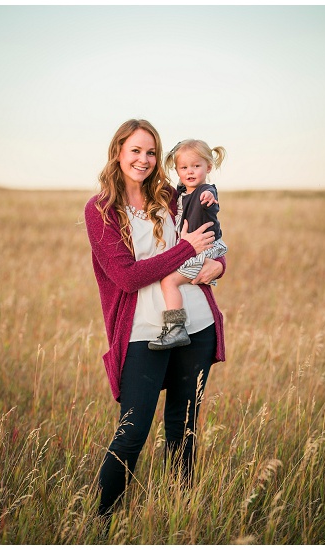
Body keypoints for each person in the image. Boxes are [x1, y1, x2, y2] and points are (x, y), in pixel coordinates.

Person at [83, 119, 226, 521]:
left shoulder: (171, 194)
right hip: (143, 332)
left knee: (184, 431)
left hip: (195, 323)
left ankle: (180, 516)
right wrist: (183, 251)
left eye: (150, 152)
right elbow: (127, 277)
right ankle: (100, 522)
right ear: (118, 152)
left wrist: (219, 264)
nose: (144, 160)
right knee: (131, 435)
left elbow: (207, 235)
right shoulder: (101, 210)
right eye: (135, 151)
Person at [149, 139, 229, 350]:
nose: (190, 171)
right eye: (184, 167)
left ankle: (176, 327)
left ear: (208, 167)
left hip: (203, 250)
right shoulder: (183, 192)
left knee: (169, 281)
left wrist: (208, 196)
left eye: (196, 166)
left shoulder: (205, 191)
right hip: (198, 249)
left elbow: (210, 193)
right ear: (177, 170)